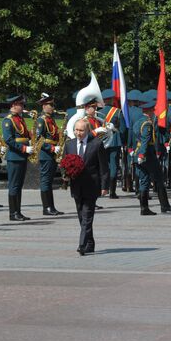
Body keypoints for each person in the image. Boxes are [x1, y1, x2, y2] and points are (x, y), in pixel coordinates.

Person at [64, 119, 109, 256]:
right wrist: (65, 176)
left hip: (91, 185)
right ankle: (90, 243)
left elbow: (103, 167)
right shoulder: (69, 144)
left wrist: (104, 185)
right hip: (76, 186)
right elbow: (64, 164)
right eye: (76, 130)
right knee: (81, 216)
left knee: (87, 215)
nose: (78, 133)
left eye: (81, 130)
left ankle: (82, 244)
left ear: (88, 130)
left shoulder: (96, 144)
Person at [134, 101, 171, 215]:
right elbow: (145, 141)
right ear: (148, 111)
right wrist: (142, 155)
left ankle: (144, 208)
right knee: (159, 179)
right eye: (152, 111)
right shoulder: (147, 124)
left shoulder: (137, 122)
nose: (154, 113)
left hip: (138, 152)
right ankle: (165, 206)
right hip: (147, 154)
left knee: (144, 181)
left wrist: (137, 154)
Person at [2, 95, 33, 221]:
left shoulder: (20, 119)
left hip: (21, 156)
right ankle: (13, 213)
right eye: (21, 105)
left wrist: (31, 136)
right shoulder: (8, 120)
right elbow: (9, 140)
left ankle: (18, 212)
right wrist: (24, 148)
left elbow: (24, 135)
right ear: (14, 105)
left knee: (19, 185)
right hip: (15, 156)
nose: (23, 107)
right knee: (14, 185)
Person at [35, 94, 64, 216]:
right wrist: (52, 148)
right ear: (44, 106)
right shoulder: (41, 120)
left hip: (51, 154)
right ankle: (46, 208)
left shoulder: (50, 119)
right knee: (45, 181)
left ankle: (51, 206)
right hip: (46, 154)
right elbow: (38, 140)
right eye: (50, 105)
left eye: (53, 105)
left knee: (49, 181)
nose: (53, 107)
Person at [98, 89, 128, 199]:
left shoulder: (98, 112)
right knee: (114, 165)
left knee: (102, 165)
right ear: (111, 99)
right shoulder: (118, 112)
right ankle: (112, 192)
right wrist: (123, 140)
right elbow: (123, 129)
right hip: (114, 140)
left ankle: (102, 189)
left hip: (101, 140)